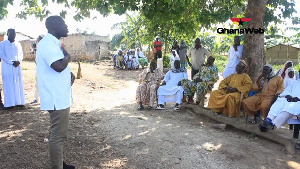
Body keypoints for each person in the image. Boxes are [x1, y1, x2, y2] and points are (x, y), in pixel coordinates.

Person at [36, 15, 75, 169]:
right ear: (53, 26)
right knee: (57, 135)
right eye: (62, 23)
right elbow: (58, 66)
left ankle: (59, 163)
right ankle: (57, 167)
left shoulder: (54, 43)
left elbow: (60, 67)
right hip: (56, 97)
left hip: (59, 94)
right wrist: (68, 57)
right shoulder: (47, 43)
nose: (66, 26)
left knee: (58, 133)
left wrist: (69, 74)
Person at [0, 28, 26, 109]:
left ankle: (19, 103)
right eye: (11, 34)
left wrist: (18, 61)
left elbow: (21, 54)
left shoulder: (18, 44)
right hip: (7, 68)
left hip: (17, 67)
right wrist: (12, 62)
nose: (13, 36)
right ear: (7, 34)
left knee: (18, 84)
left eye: (14, 34)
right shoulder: (2, 44)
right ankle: (10, 104)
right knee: (9, 85)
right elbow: (2, 55)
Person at [31, 35, 44, 104]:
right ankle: (36, 98)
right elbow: (36, 60)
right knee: (37, 84)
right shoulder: (37, 48)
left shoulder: (44, 48)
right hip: (38, 68)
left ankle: (43, 99)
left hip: (43, 69)